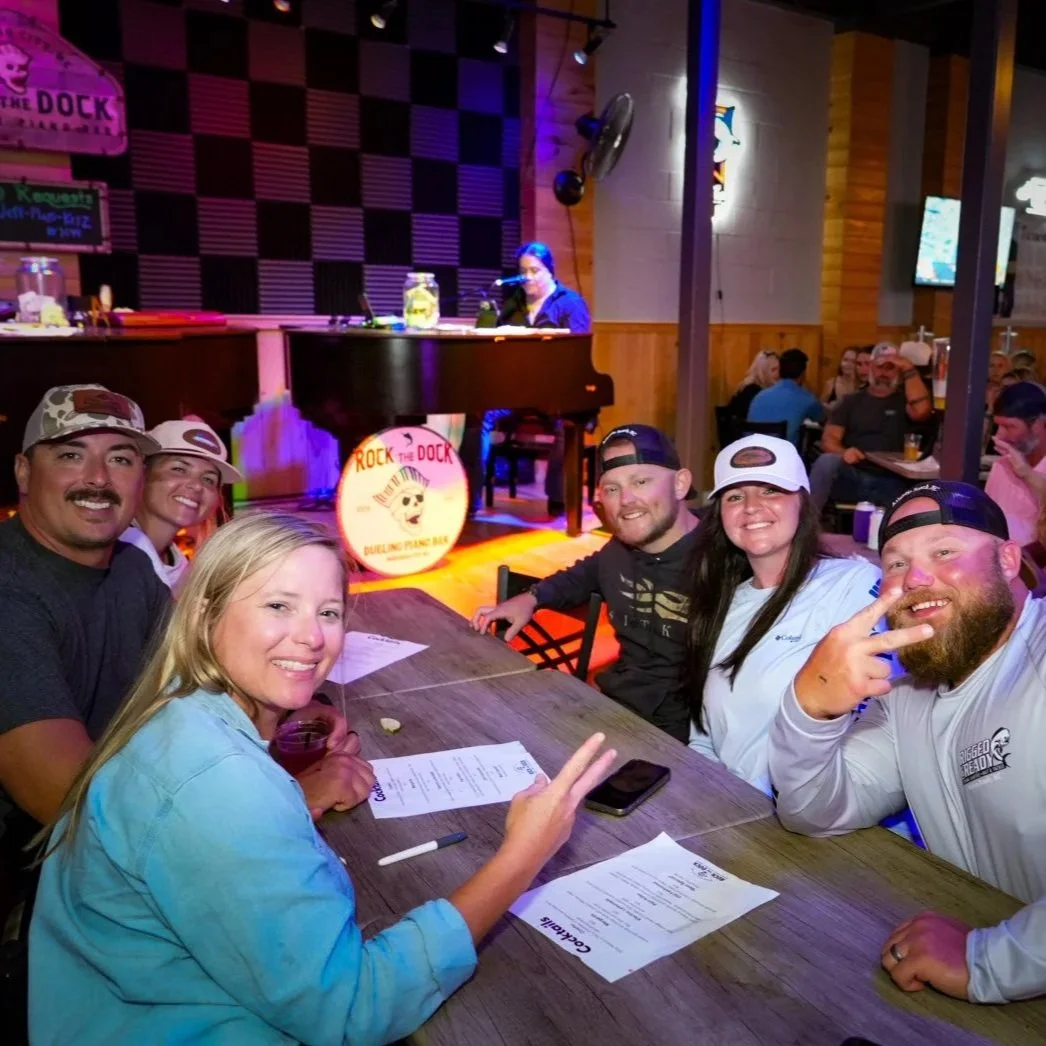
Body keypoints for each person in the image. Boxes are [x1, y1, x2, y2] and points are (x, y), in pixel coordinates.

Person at [29, 512, 616, 1044]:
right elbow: (353, 1008)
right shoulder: (219, 784)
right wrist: (525, 854)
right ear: (206, 613)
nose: (312, 637)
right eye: (278, 606)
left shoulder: (176, 713)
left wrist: (282, 755)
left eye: (328, 612)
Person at [770, 482, 1046, 1004]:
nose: (915, 579)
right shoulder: (905, 694)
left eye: (944, 552)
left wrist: (990, 960)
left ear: (1008, 560)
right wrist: (811, 709)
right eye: (895, 564)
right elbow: (815, 811)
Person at [471, 424, 699, 742]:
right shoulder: (617, 551)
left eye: (641, 481)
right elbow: (577, 578)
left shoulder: (725, 557)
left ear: (680, 483)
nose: (626, 500)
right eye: (612, 488)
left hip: (693, 736)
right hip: (618, 715)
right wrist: (531, 597)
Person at [685, 435, 880, 794]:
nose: (751, 507)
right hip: (730, 812)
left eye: (770, 490)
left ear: (802, 502)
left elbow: (868, 726)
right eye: (734, 496)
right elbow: (705, 740)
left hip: (817, 818)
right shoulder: (719, 604)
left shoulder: (852, 585)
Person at [467, 242, 591, 517]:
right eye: (523, 271)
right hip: (515, 388)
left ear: (550, 271)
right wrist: (487, 320)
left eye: (535, 270)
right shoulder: (514, 305)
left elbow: (579, 354)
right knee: (478, 413)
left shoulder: (570, 303)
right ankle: (470, 497)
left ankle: (557, 495)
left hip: (555, 390)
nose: (528, 277)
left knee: (566, 420)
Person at [119, 418, 243, 593]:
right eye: (179, 469)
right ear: (142, 473)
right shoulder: (112, 553)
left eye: (208, 479)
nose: (197, 485)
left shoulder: (178, 567)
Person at [809, 343, 932, 512]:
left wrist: (909, 368)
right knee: (826, 461)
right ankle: (805, 526)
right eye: (879, 367)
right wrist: (844, 452)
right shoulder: (850, 401)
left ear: (899, 372)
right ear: (871, 368)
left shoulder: (905, 400)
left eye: (890, 368)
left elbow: (922, 411)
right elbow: (829, 439)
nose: (883, 373)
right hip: (855, 474)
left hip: (894, 478)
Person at [985, 382, 1046, 547]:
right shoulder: (1002, 466)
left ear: (1038, 424)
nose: (999, 435)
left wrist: (1026, 473)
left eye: (1009, 426)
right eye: (998, 425)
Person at [747, 348, 825, 446]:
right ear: (803, 373)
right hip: (784, 456)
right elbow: (823, 419)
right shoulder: (807, 399)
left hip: (753, 452)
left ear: (780, 371)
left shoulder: (759, 397)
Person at [726, 350, 778, 422]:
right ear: (762, 371)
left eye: (779, 370)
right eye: (773, 370)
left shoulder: (746, 385)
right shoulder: (752, 391)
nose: (778, 374)